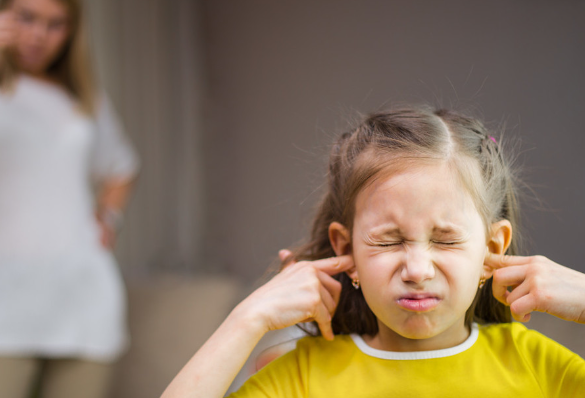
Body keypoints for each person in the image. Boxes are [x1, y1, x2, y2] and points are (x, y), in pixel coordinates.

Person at [161, 106, 585, 398]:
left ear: (492, 249)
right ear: (347, 250)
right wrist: (246, 320)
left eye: (446, 239)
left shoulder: (535, 365)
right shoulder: (304, 374)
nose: (417, 269)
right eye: (388, 240)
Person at [0, 0, 139, 397]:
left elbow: (122, 166)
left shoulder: (84, 101)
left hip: (82, 294)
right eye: (26, 17)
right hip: (6, 299)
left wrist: (107, 222)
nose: (39, 35)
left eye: (56, 24)